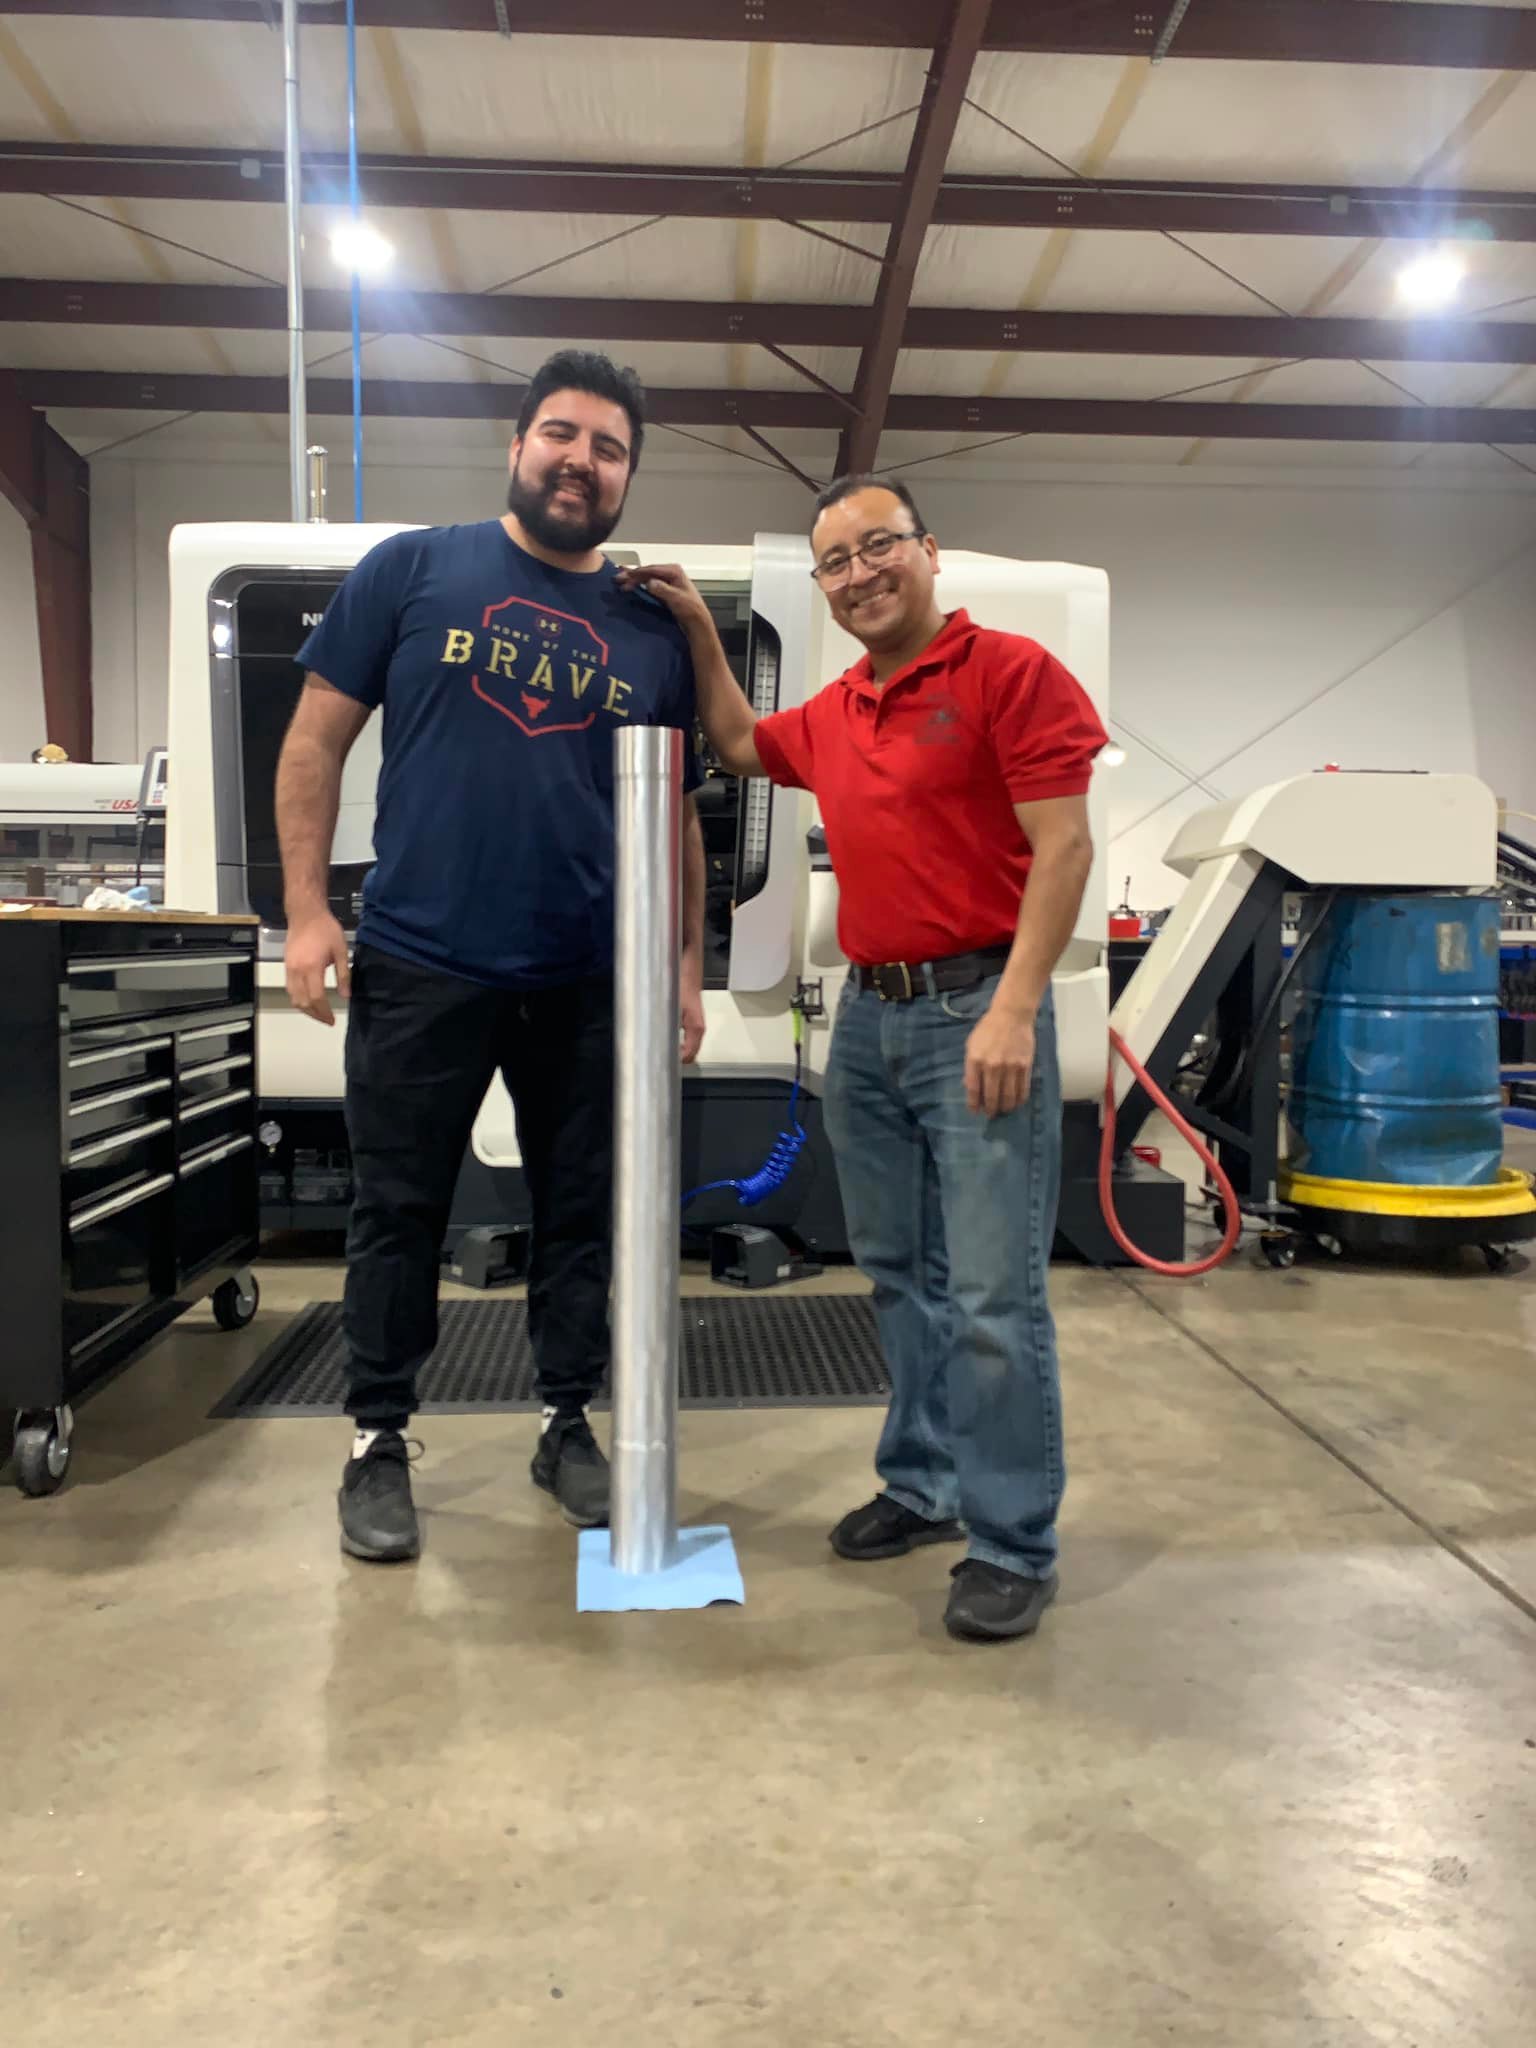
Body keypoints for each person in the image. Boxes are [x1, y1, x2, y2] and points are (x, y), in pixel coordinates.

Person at [622, 477, 1106, 1642]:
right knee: (897, 1272)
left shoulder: (1012, 674)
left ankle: (1011, 1541)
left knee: (993, 1293)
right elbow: (738, 744)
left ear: (928, 552)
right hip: (874, 1022)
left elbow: (1066, 844)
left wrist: (1015, 1006)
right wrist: (697, 623)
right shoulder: (840, 708)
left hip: (980, 1010)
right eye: (835, 561)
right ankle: (925, 1484)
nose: (857, 574)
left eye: (877, 546)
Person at [276, 349, 706, 1565]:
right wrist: (311, 912)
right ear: (516, 447)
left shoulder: (647, 625)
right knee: (397, 1209)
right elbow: (314, 744)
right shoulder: (413, 570)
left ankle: (566, 1420)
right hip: (421, 957)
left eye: (610, 446)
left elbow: (671, 810)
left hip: (586, 973)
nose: (582, 460)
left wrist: (681, 963)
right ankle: (375, 1439)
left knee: (583, 1213)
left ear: (629, 474)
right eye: (562, 435)